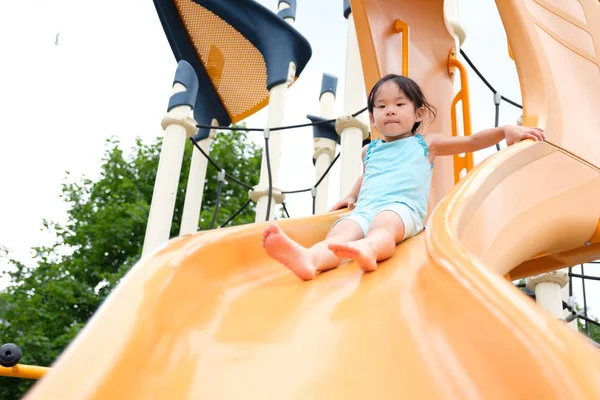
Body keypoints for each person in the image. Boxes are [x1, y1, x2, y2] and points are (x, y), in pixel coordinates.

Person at [262, 74, 545, 281]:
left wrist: (506, 130)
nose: (390, 110)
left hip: (403, 209)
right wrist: (351, 196)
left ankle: (369, 250)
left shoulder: (426, 144)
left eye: (399, 104)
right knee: (340, 231)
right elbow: (367, 176)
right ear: (372, 118)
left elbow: (470, 141)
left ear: (418, 112)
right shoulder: (369, 150)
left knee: (384, 224)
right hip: (365, 208)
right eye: (381, 107)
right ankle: (310, 259)